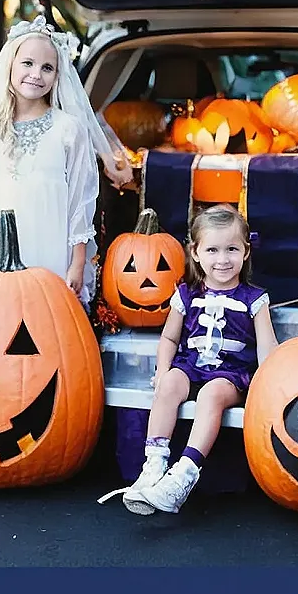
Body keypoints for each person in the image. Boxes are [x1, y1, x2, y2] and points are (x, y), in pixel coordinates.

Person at [0, 14, 133, 311]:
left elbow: (80, 201)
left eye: (48, 68)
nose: (36, 74)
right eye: (28, 63)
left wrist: (77, 261)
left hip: (49, 244)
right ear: (10, 66)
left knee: (42, 320)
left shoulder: (68, 128)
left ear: (58, 75)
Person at [117, 204, 278, 514]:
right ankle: (154, 465)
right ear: (195, 252)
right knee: (169, 385)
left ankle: (184, 474)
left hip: (231, 374)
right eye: (213, 250)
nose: (222, 259)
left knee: (211, 394)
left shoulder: (254, 299)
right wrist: (163, 370)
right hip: (191, 365)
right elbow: (169, 338)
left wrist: (267, 385)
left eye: (231, 249)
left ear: (245, 252)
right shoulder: (186, 294)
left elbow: (267, 347)